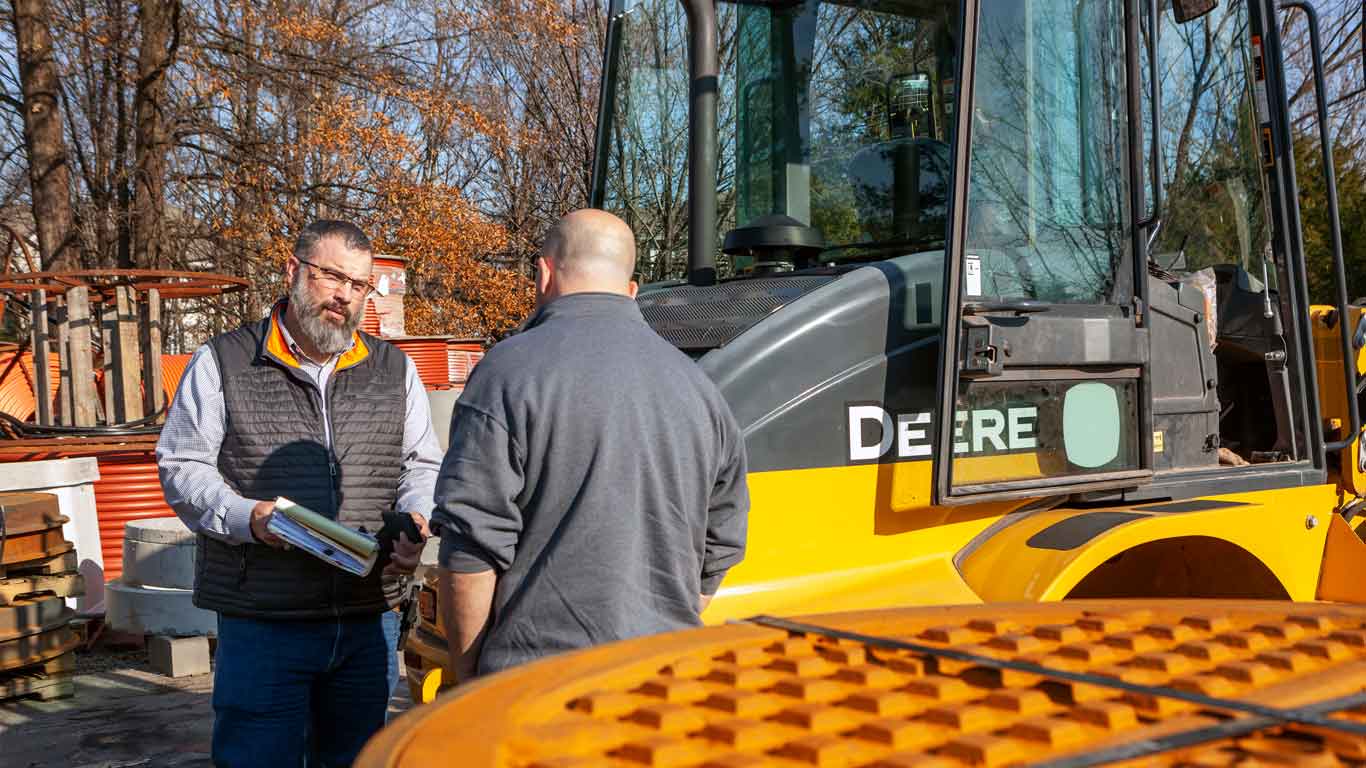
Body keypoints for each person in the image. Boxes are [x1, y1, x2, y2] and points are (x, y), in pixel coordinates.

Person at [156, 220, 442, 767]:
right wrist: (247, 516)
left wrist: (416, 518)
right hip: (265, 618)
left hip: (368, 616)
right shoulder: (224, 362)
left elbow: (421, 463)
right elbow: (182, 466)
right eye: (332, 276)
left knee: (359, 759)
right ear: (293, 271)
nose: (345, 296)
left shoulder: (392, 369)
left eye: (359, 285)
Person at [432, 209, 749, 680]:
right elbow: (722, 540)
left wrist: (467, 677)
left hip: (535, 687)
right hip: (662, 681)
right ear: (632, 290)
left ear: (543, 274)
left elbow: (471, 552)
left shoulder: (505, 374)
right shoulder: (700, 387)